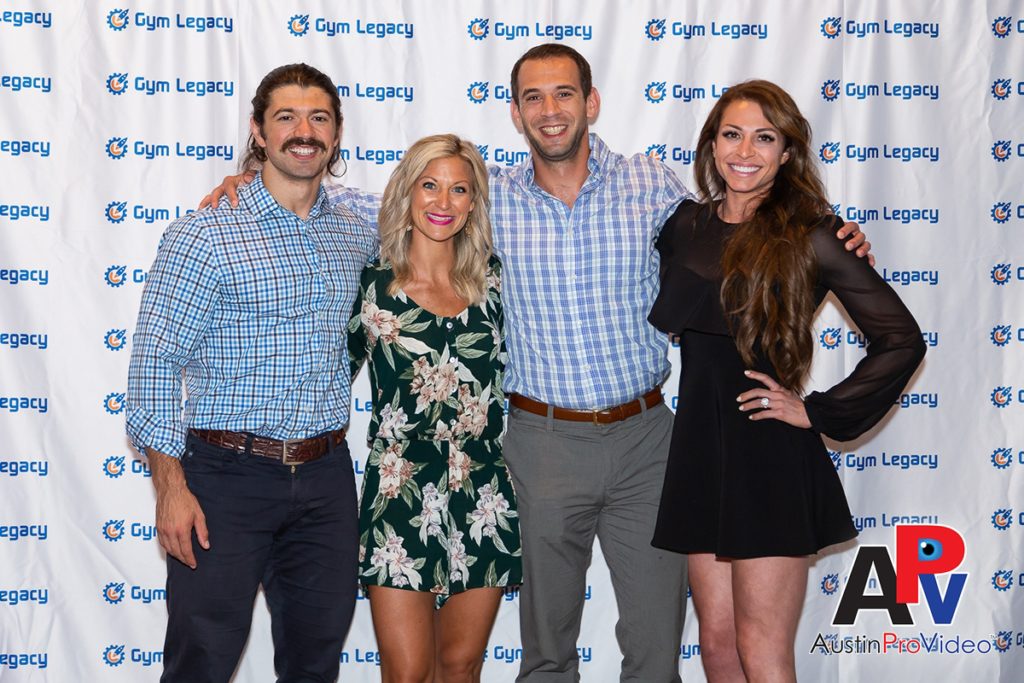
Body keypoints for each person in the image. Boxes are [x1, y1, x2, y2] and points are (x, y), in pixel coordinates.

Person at [202, 44, 871, 682]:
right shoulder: (488, 201)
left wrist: (829, 232)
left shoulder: (653, 185)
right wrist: (258, 181)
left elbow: (740, 216)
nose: (550, 109)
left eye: (564, 94)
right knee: (547, 650)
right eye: (533, 98)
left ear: (592, 102)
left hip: (649, 442)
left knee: (655, 647)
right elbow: (388, 207)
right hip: (540, 442)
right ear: (516, 113)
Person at [648, 80, 926, 683]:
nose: (745, 150)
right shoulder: (683, 224)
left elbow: (901, 339)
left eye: (764, 137)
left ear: (787, 153)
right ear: (711, 145)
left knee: (762, 651)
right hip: (699, 449)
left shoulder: (812, 235)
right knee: (717, 647)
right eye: (732, 134)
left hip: (766, 451)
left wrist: (817, 413)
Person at [126, 63, 377, 683]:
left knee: (315, 663)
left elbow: (437, 197)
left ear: (337, 133)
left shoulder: (358, 227)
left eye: (319, 117)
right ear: (258, 132)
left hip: (325, 480)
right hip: (223, 480)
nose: (304, 131)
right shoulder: (206, 232)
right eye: (285, 117)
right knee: (202, 662)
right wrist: (170, 487)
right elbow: (155, 359)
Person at [346, 134, 521, 682]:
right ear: (407, 191)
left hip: (483, 487)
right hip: (398, 488)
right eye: (430, 185)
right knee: (407, 674)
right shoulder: (371, 283)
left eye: (458, 189)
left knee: (461, 667)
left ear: (473, 203)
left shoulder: (496, 282)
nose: (442, 202)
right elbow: (326, 375)